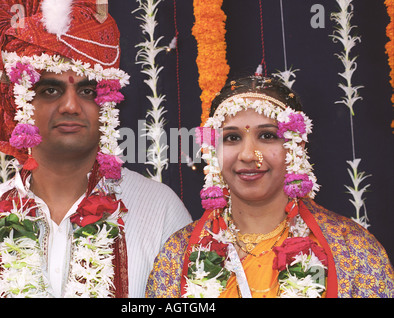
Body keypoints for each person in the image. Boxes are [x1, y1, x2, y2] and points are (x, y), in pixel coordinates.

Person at [0, 0, 191, 298]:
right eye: (50, 90)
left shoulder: (160, 211)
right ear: (18, 102)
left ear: (107, 101)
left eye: (87, 91)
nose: (72, 106)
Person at [146, 74, 394, 298]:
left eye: (267, 136)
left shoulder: (351, 249)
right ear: (213, 151)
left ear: (296, 146)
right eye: (232, 138)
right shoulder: (179, 255)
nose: (248, 155)